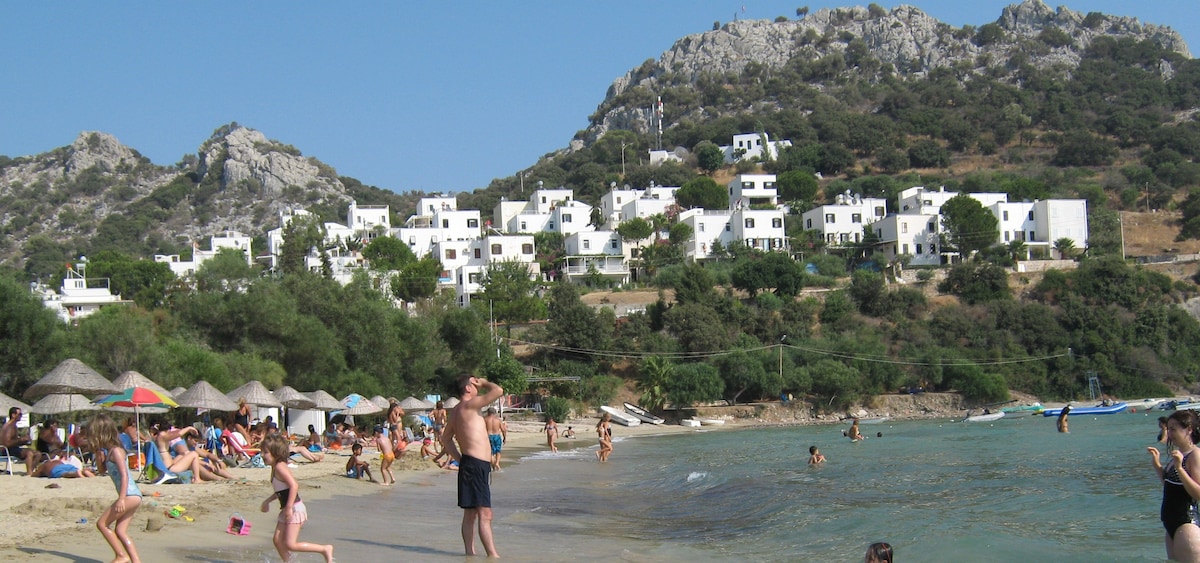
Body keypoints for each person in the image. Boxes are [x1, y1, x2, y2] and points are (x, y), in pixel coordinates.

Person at [440, 374, 505, 558]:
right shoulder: (470, 405)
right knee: (485, 513)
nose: (477, 385)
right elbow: (498, 391)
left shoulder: (456, 411)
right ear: (468, 388)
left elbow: (445, 439)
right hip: (475, 465)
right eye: (474, 383)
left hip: (471, 463)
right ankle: (493, 556)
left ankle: (470, 554)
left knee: (470, 513)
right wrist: (485, 383)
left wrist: (460, 459)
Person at [260, 434, 334, 563]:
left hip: (294, 508)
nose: (262, 454)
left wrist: (288, 508)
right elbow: (281, 490)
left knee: (291, 544)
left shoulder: (279, 467)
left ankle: (324, 549)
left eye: (265, 452)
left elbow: (294, 485)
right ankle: (289, 561)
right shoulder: (275, 467)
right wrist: (267, 501)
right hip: (288, 508)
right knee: (277, 540)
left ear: (276, 454)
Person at [1148, 410, 1200, 561]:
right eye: (1168, 429)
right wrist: (1157, 465)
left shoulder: (1194, 455)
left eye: (1173, 429)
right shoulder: (1179, 455)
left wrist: (1179, 468)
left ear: (1189, 429)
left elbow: (1197, 494)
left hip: (1186, 523)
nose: (1169, 433)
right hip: (1171, 524)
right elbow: (1171, 486)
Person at [90, 413, 143, 563]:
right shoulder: (108, 452)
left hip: (128, 495)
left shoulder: (117, 451)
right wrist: (98, 454)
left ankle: (121, 555)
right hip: (132, 496)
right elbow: (101, 471)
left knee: (102, 524)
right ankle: (136, 561)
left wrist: (121, 499)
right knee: (120, 531)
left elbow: (125, 475)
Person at [1, 407, 39, 476]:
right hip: (7, 450)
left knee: (38, 454)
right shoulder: (9, 427)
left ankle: (30, 471)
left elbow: (13, 441)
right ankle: (29, 473)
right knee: (29, 453)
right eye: (19, 414)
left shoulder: (13, 426)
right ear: (13, 415)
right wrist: (21, 440)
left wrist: (23, 441)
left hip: (13, 448)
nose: (21, 416)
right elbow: (6, 443)